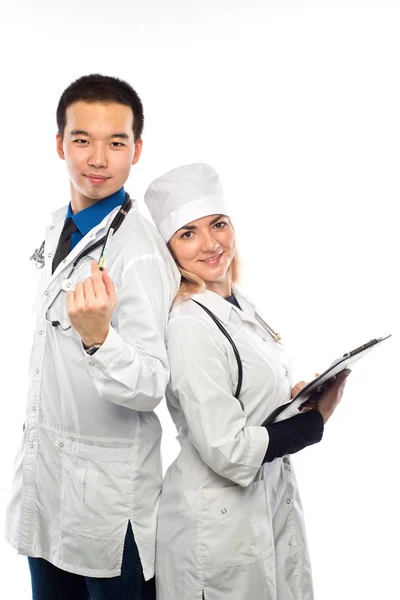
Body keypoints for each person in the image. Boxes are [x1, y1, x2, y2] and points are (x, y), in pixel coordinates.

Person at [5, 74, 179, 600]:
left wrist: (101, 340)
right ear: (60, 144)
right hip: (48, 485)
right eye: (82, 140)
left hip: (109, 509)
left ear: (137, 149)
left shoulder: (140, 251)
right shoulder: (60, 224)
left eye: (116, 142)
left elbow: (152, 384)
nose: (97, 159)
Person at [144, 163, 350, 600]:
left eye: (218, 224)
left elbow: (247, 394)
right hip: (213, 525)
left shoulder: (238, 303)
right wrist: (315, 422)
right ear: (169, 250)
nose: (211, 243)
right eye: (188, 234)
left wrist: (295, 401)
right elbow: (226, 448)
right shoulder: (188, 324)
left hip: (260, 506)